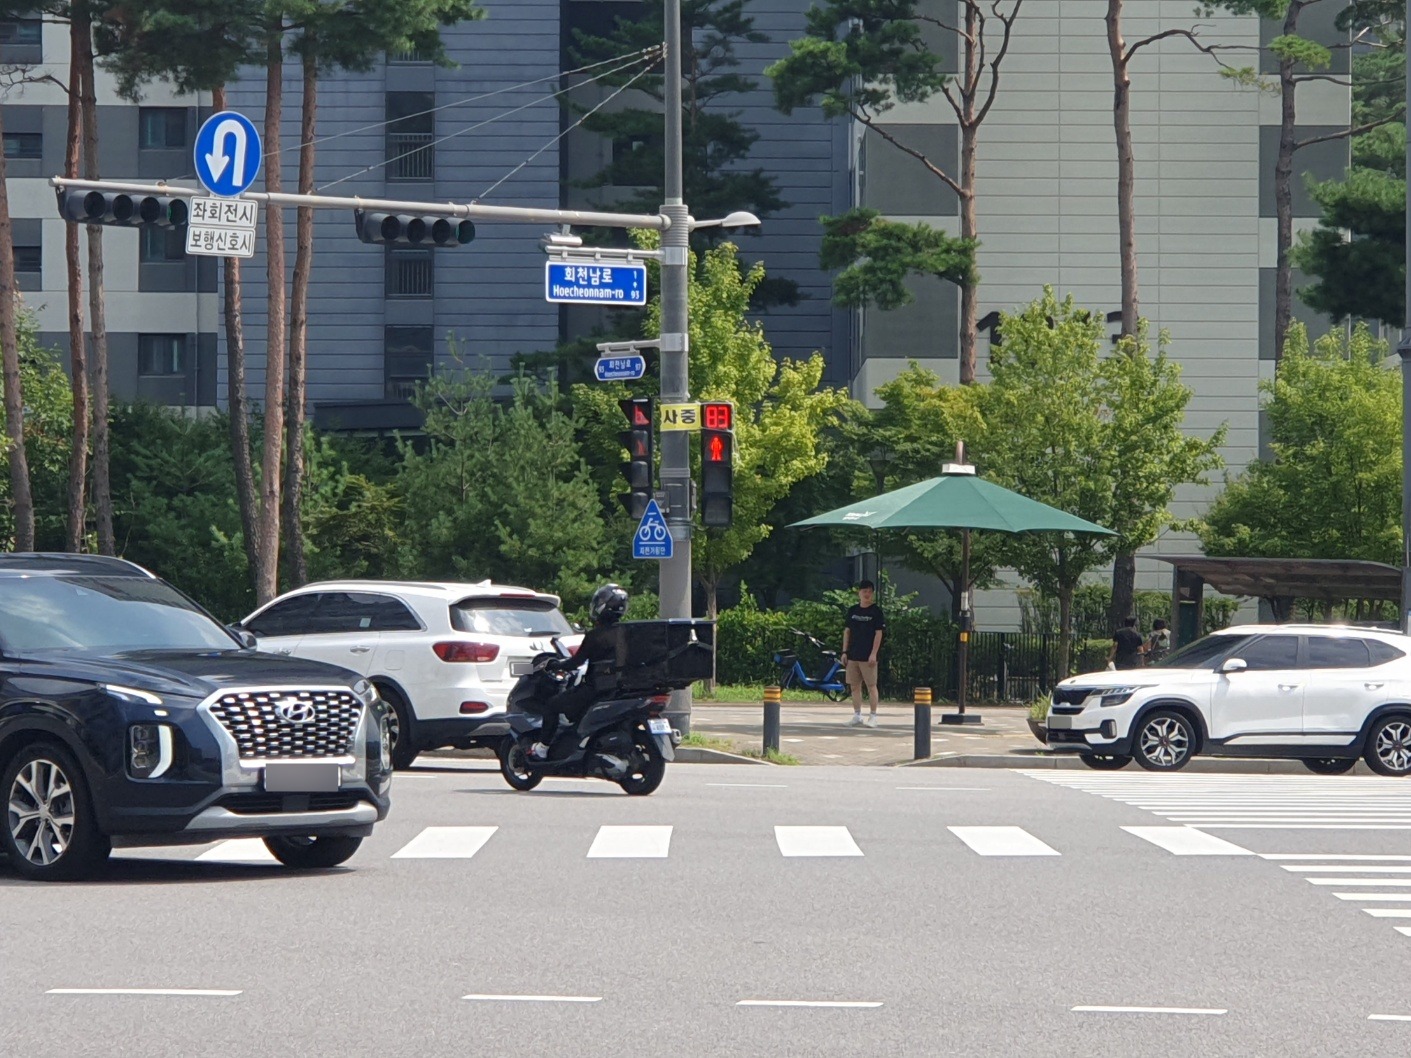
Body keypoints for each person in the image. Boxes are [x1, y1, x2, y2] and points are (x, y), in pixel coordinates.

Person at [528, 583, 628, 760]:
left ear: (601, 607)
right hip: (621, 688)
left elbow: (575, 662)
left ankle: (542, 748)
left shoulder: (596, 635)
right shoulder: (627, 633)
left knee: (552, 705)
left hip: (596, 689)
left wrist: (554, 665)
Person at [840, 579, 886, 727]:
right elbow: (847, 631)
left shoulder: (876, 612)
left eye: (869, 591)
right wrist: (844, 651)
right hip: (853, 654)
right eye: (864, 591)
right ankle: (857, 714)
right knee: (854, 686)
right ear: (859, 593)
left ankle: (873, 716)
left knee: (871, 685)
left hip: (868, 656)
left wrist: (874, 653)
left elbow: (879, 634)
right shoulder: (853, 611)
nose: (867, 594)